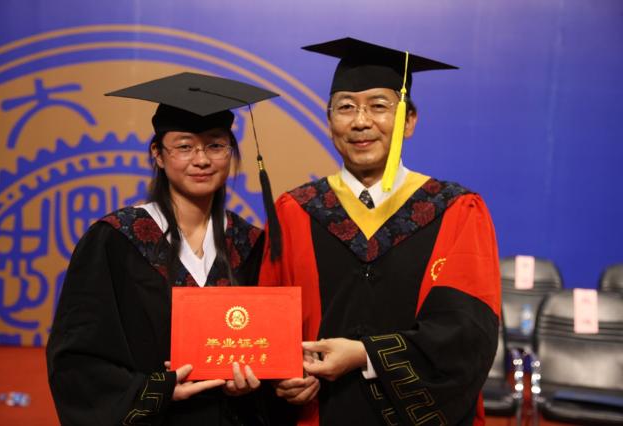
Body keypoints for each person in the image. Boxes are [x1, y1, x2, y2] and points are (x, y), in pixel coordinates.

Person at [259, 38, 501, 425]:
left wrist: (366, 355)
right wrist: (282, 378)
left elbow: (467, 335)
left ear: (409, 121)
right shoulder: (295, 211)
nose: (360, 122)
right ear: (329, 121)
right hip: (318, 414)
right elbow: (269, 325)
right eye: (346, 107)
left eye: (378, 106)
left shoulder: (456, 211)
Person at [46, 72, 281, 425]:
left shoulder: (251, 244)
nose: (201, 160)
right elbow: (76, 358)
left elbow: (271, 351)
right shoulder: (116, 240)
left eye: (215, 145)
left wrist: (252, 384)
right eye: (184, 146)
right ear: (158, 154)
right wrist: (156, 389)